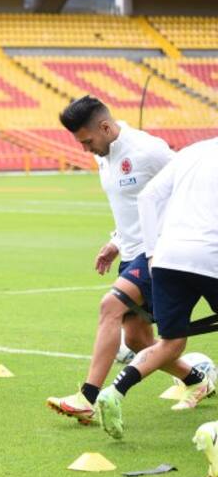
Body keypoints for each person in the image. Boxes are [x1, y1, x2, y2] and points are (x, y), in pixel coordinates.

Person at [46, 96, 207, 424]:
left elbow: (185, 186)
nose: (85, 149)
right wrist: (116, 241)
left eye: (87, 141)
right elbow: (132, 207)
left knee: (110, 305)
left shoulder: (149, 150)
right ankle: (197, 380)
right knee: (137, 340)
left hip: (158, 253)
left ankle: (86, 397)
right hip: (131, 254)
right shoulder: (103, 155)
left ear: (105, 127)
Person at [94, 137, 218, 441]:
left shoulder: (191, 151)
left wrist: (151, 253)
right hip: (210, 253)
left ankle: (115, 391)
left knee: (171, 343)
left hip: (165, 256)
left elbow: (148, 197)